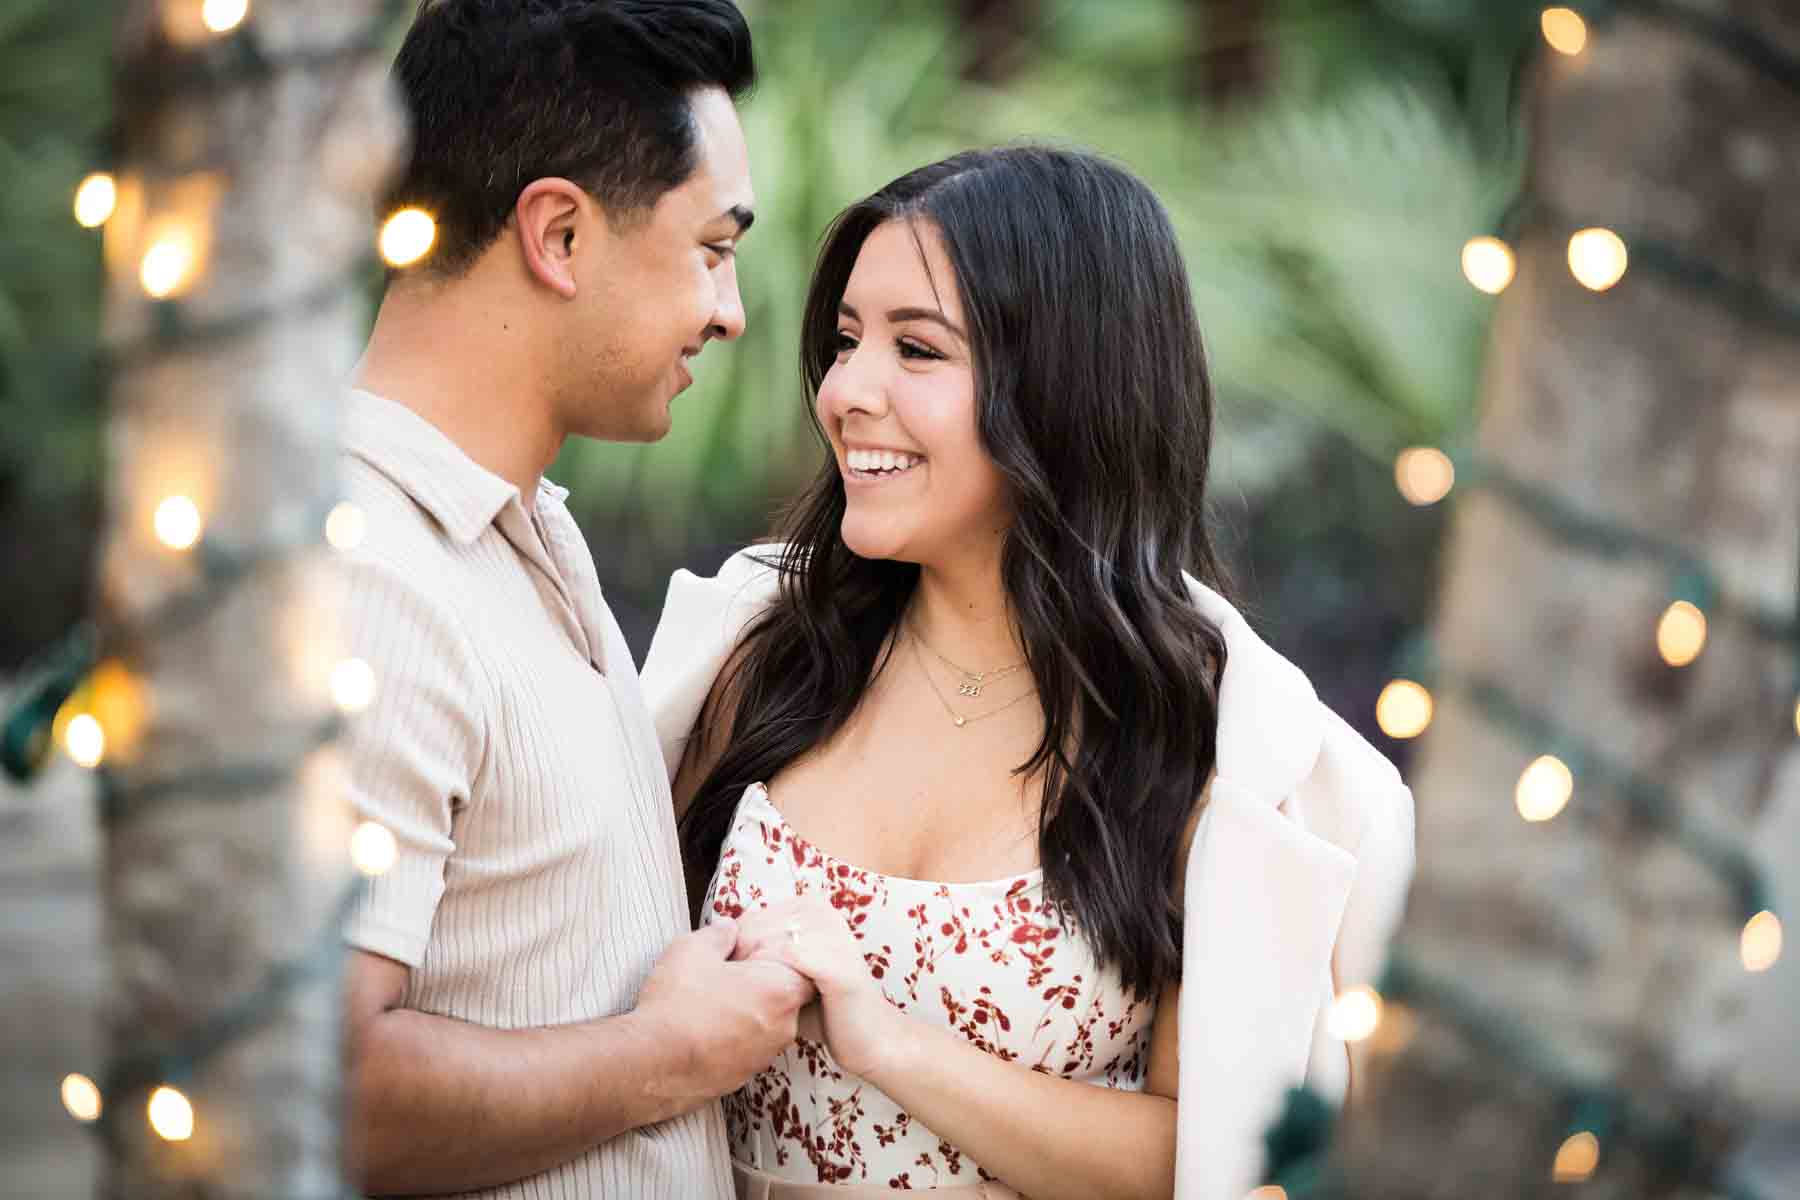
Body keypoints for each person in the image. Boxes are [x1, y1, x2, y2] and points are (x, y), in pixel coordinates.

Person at [643, 146, 1416, 1199]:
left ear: (1065, 392)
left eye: (917, 350)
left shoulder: (1211, 755)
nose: (844, 393)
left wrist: (897, 1048)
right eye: (845, 340)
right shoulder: (758, 654)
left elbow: (1204, 1154)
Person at [337, 3, 812, 1198]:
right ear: (557, 233)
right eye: (712, 248)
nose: (731, 309)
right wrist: (672, 1054)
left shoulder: (523, 528)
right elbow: (317, 1087)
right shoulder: (365, 574)